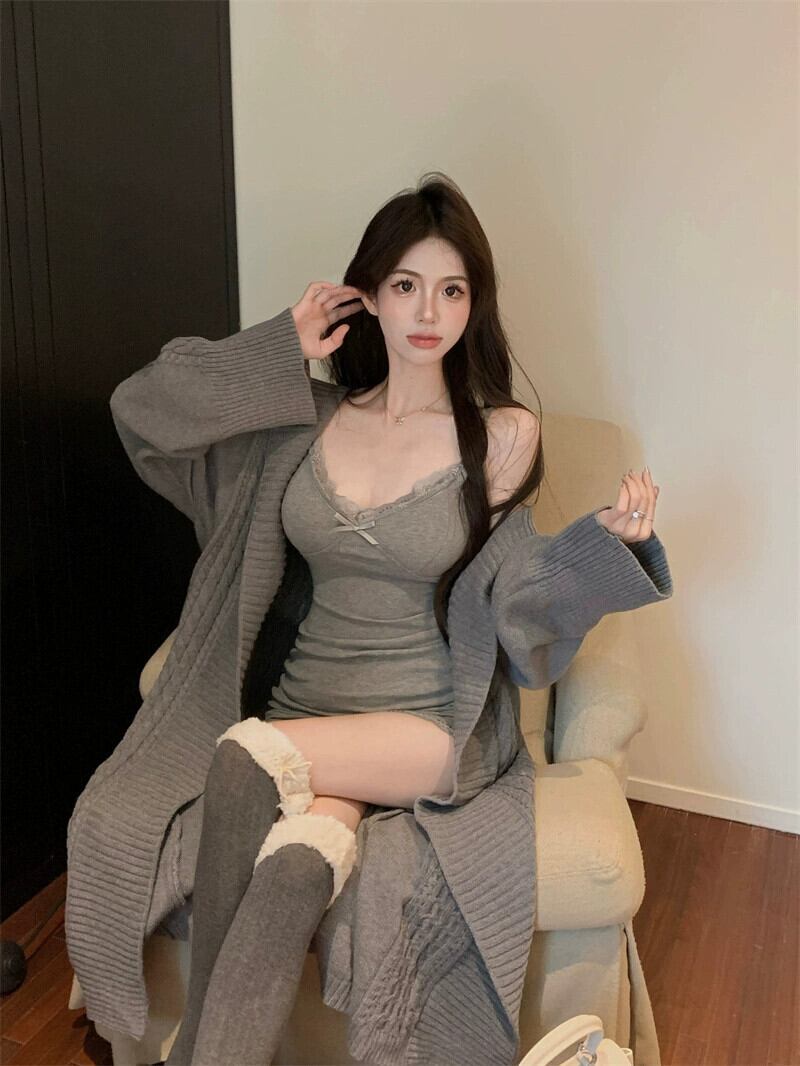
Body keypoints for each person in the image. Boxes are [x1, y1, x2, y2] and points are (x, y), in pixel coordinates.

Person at [67, 172, 670, 1066]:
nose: (428, 311)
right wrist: (278, 347)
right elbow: (143, 410)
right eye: (406, 284)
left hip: (423, 725)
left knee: (244, 756)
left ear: (474, 305)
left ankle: (193, 1049)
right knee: (294, 870)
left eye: (452, 290)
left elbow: (519, 601)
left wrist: (603, 549)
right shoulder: (304, 421)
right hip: (305, 714)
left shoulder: (501, 435)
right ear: (369, 294)